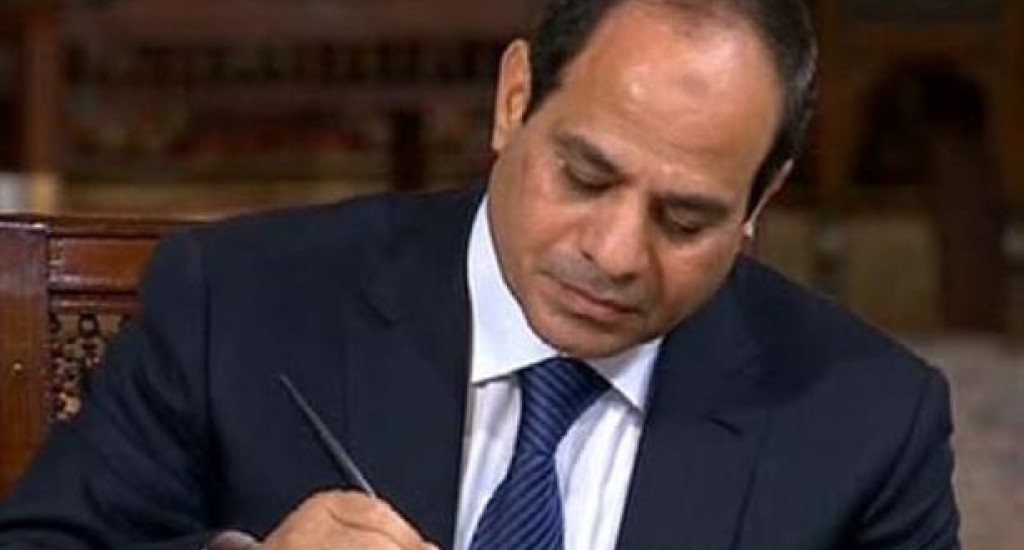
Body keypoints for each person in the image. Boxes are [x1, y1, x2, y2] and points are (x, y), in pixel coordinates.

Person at [0, 0, 959, 548]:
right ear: (513, 101)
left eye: (686, 219)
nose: (616, 253)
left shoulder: (867, 420)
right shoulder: (242, 302)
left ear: (761, 201)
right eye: (585, 177)